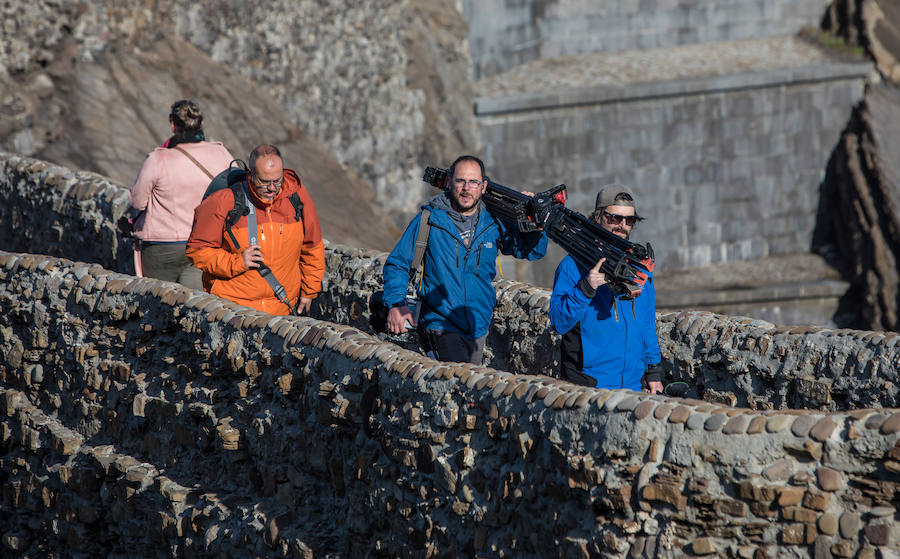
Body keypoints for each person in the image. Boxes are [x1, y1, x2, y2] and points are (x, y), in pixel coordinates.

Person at [382, 155, 549, 364]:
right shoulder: (430, 219)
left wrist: (534, 221)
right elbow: (398, 264)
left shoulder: (493, 222)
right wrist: (396, 304)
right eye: (460, 181)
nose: (466, 188)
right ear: (449, 182)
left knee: (470, 381)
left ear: (483, 186)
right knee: (459, 380)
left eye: (473, 182)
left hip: (478, 326)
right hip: (440, 323)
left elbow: (531, 251)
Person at [186, 144, 325, 316]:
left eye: (277, 181)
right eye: (264, 182)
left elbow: (313, 245)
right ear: (250, 174)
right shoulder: (223, 202)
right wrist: (237, 262)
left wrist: (309, 291)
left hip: (282, 309)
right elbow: (197, 251)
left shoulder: (295, 197)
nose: (272, 188)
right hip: (233, 310)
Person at [549, 184, 663, 393]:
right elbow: (559, 322)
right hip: (588, 386)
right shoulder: (572, 266)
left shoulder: (640, 268)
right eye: (615, 218)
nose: (622, 225)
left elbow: (647, 322)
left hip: (633, 387)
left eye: (629, 220)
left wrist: (653, 370)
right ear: (598, 216)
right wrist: (586, 288)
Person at [128, 100, 235, 290]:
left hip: (163, 246)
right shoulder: (221, 153)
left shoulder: (158, 159)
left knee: (159, 299)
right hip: (206, 241)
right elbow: (236, 191)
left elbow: (138, 202)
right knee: (197, 302)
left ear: (173, 125)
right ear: (201, 123)